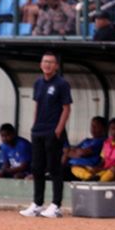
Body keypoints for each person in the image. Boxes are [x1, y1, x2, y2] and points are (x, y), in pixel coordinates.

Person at [20, 52, 72, 219]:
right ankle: (37, 203)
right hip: (38, 131)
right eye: (44, 61)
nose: (47, 64)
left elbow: (66, 108)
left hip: (53, 132)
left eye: (51, 62)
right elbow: (37, 105)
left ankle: (56, 205)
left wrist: (58, 129)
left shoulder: (62, 84)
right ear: (40, 64)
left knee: (54, 168)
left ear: (56, 66)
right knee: (37, 167)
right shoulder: (38, 83)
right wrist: (34, 125)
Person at [69, 116, 108, 181]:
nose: (93, 128)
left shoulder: (102, 141)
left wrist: (78, 152)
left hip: (88, 166)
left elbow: (84, 153)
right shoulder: (87, 140)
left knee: (73, 168)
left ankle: (90, 177)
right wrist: (78, 152)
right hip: (74, 164)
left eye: (96, 126)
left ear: (103, 128)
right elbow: (69, 152)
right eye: (92, 126)